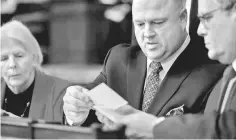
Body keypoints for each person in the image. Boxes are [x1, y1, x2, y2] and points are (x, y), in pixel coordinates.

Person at [63, 0, 225, 127]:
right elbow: (91, 111)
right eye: (140, 24)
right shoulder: (118, 60)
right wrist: (76, 112)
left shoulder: (214, 73)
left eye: (158, 23)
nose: (147, 33)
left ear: (183, 18)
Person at [115, 0, 236, 138]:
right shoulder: (229, 75)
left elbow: (224, 129)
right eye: (140, 24)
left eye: (207, 18)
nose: (200, 30)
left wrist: (155, 127)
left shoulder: (215, 74)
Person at [1, 20, 71, 122]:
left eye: (19, 56)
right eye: (3, 58)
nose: (12, 65)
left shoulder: (61, 92)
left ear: (34, 57)